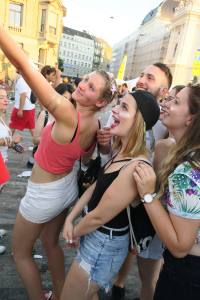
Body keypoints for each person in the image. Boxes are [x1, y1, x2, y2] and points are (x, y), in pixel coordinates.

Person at [0, 25, 116, 300]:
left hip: (44, 194)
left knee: (20, 253)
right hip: (65, 187)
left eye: (90, 87)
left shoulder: (66, 112)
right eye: (85, 79)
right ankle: (62, 295)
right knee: (50, 244)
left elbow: (22, 65)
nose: (82, 85)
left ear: (100, 101)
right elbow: (85, 157)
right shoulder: (94, 121)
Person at [61, 90, 160, 300]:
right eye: (118, 104)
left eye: (124, 108)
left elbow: (98, 216)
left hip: (102, 245)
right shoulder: (122, 151)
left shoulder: (136, 166)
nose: (114, 109)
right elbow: (96, 187)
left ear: (138, 122)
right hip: (95, 235)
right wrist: (70, 218)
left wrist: (73, 232)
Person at [98, 63, 172, 300]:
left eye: (149, 78)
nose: (141, 80)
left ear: (163, 91)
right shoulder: (119, 110)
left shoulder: (165, 122)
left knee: (144, 262)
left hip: (147, 205)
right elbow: (109, 158)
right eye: (141, 74)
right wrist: (104, 145)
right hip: (117, 195)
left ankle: (120, 283)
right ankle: (115, 282)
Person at [133, 83, 200, 300]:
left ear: (190, 118)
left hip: (187, 275)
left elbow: (180, 246)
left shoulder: (187, 172)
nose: (167, 103)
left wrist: (147, 195)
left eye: (177, 101)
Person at [9, 72, 35, 137]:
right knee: (32, 128)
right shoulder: (28, 79)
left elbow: (23, 94)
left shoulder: (21, 80)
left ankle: (6, 142)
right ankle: (39, 144)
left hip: (23, 108)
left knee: (12, 127)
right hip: (30, 107)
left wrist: (20, 110)